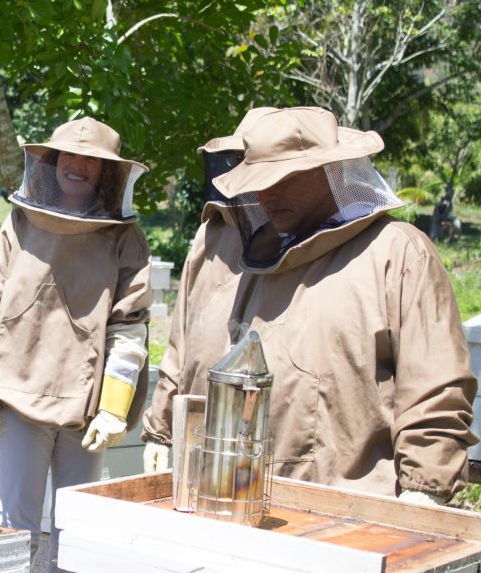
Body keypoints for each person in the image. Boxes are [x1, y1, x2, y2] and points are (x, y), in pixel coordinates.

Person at [143, 106, 477, 504]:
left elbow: (434, 385)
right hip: (220, 491)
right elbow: (187, 348)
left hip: (345, 510)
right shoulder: (236, 244)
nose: (265, 195)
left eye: (283, 179)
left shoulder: (397, 252)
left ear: (329, 172)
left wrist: (425, 487)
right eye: (255, 178)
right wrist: (162, 428)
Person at [0, 117, 152, 573]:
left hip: (86, 411)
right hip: (18, 396)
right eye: (69, 155)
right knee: (14, 531)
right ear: (51, 161)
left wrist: (114, 405)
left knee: (73, 535)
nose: (78, 165)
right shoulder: (19, 222)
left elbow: (129, 327)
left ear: (109, 173)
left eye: (91, 160)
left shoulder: (124, 237)